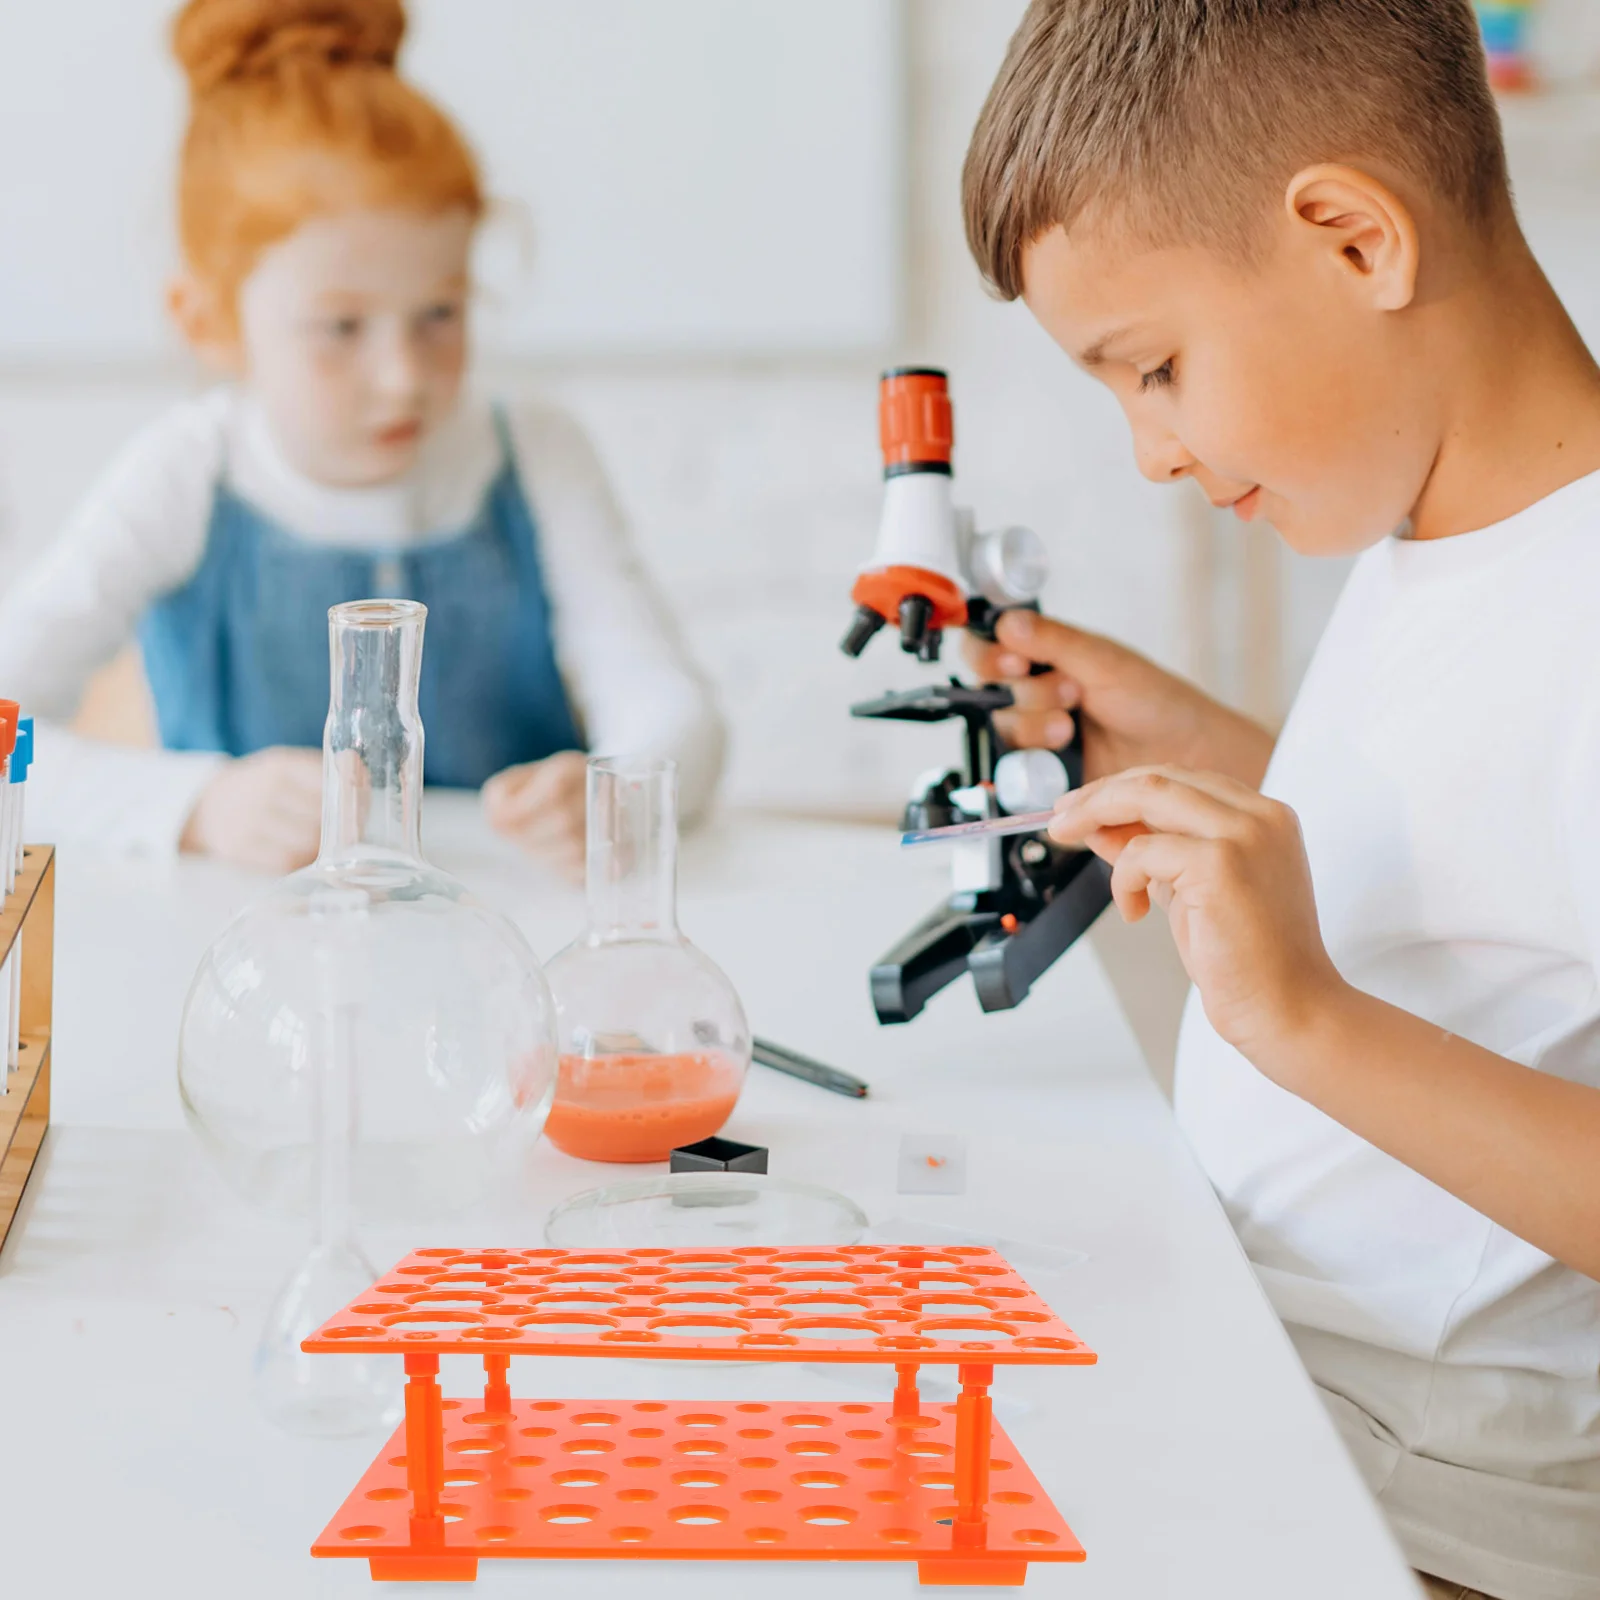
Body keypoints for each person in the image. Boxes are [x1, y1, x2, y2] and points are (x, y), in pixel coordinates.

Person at [960, 4, 1600, 1598]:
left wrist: (1300, 1018)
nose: (1152, 456)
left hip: (1428, 1516)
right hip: (1278, 1387)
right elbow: (1495, 893)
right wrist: (1211, 756)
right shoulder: (1443, 526)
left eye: (1156, 369)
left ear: (1352, 238)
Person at [0, 0, 722, 876]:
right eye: (341, 327)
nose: (404, 377)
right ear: (209, 321)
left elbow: (672, 708)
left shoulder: (535, 451)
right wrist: (195, 805)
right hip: (246, 962)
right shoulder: (185, 473)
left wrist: (617, 789)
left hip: (510, 954)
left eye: (440, 314)